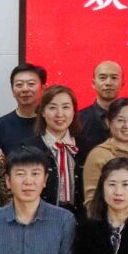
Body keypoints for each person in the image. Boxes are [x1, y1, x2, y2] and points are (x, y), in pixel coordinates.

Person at [22, 84, 84, 212]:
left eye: (66, 107)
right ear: (43, 112)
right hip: (41, 216)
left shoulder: (86, 146)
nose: (59, 114)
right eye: (52, 107)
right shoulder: (28, 148)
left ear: (74, 111)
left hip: (80, 218)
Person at [82, 97, 128, 204]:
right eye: (120, 120)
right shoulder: (99, 155)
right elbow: (92, 201)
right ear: (108, 122)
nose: (127, 126)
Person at [0, 63, 47, 156]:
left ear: (43, 89)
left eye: (31, 84)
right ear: (12, 91)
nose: (25, 89)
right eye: (19, 85)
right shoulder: (3, 124)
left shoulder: (51, 121)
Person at [77, 60, 124, 154]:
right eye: (103, 78)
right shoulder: (78, 119)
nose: (108, 83)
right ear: (93, 83)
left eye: (114, 78)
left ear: (122, 83)